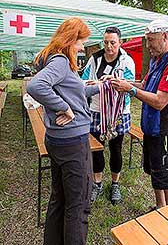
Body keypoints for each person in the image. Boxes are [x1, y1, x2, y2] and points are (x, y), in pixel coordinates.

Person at [27, 17, 100, 245]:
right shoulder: (59, 62)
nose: (82, 48)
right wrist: (63, 107)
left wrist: (101, 86)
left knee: (59, 198)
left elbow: (74, 93)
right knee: (78, 205)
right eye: (81, 42)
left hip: (58, 140)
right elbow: (35, 86)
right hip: (72, 143)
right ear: (71, 39)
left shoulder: (53, 59)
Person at [111, 19, 168, 208]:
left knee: (167, 178)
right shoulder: (157, 61)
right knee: (156, 173)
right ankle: (160, 209)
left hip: (165, 132)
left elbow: (160, 101)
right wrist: (122, 83)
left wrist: (130, 89)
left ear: (165, 37)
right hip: (152, 130)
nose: (148, 46)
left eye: (151, 40)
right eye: (146, 40)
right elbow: (145, 86)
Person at [82, 27, 135, 205]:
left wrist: (103, 83)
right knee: (96, 148)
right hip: (96, 110)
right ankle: (97, 183)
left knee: (116, 148)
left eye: (112, 42)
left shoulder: (127, 61)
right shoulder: (95, 59)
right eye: (106, 42)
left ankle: (115, 184)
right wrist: (103, 84)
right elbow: (84, 81)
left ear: (120, 42)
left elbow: (127, 85)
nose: (109, 46)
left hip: (119, 112)